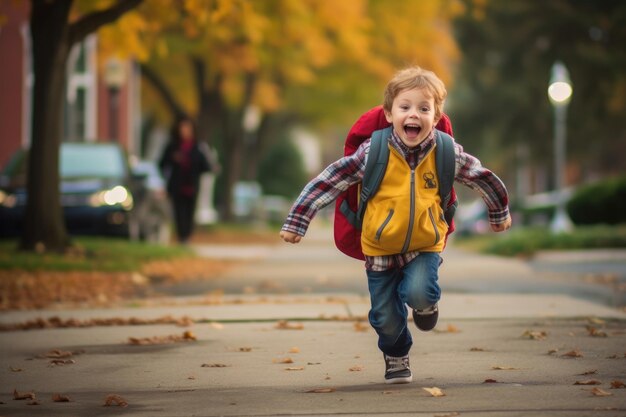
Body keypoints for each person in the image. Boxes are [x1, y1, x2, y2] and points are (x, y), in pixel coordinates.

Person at [280, 67, 512, 384]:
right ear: (389, 114)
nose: (413, 115)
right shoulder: (373, 152)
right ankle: (397, 353)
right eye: (405, 107)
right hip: (379, 249)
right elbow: (330, 179)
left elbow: (480, 176)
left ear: (436, 115)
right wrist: (298, 220)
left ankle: (425, 304)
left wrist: (499, 211)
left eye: (423, 108)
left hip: (425, 244)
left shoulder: (445, 153)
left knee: (419, 291)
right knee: (385, 318)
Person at [159, 116, 212, 244]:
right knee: (178, 212)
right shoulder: (173, 146)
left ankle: (187, 236)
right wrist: (174, 160)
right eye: (182, 128)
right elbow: (162, 164)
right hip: (176, 186)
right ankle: (181, 237)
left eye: (187, 128)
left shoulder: (198, 147)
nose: (185, 131)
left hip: (192, 186)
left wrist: (194, 163)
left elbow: (206, 167)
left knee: (189, 212)